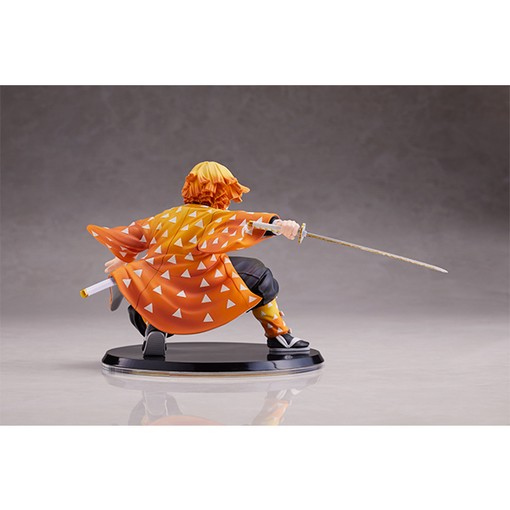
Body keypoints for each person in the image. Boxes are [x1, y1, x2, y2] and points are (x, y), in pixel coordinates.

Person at [87, 161, 309, 356]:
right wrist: (279, 225)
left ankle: (154, 326)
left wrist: (124, 259)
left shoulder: (164, 217)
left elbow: (133, 234)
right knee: (260, 275)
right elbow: (248, 222)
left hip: (158, 292)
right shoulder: (215, 217)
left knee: (151, 290)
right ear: (222, 192)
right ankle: (278, 334)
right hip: (201, 286)